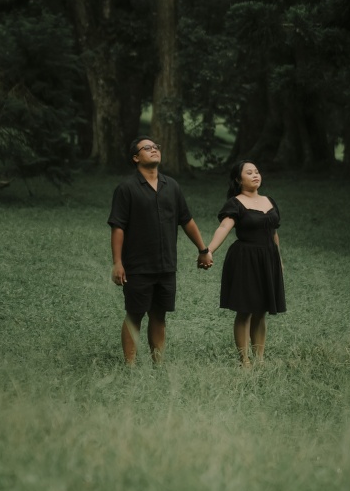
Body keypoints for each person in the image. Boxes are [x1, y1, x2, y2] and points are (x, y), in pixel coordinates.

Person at [108, 136, 213, 364]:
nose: (154, 150)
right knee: (134, 315)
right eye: (147, 148)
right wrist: (117, 262)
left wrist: (203, 249)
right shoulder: (126, 188)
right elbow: (118, 227)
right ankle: (130, 365)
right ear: (136, 157)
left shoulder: (172, 186)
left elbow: (186, 220)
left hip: (166, 265)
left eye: (156, 147)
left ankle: (158, 363)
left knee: (159, 315)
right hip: (138, 265)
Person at [207, 161, 286, 366]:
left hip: (268, 258)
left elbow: (274, 233)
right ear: (238, 179)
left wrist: (278, 259)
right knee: (245, 310)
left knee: (261, 310)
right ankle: (244, 360)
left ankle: (259, 359)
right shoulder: (235, 203)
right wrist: (209, 251)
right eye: (249, 173)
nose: (255, 175)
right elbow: (224, 228)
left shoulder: (269, 201)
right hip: (246, 259)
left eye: (257, 172)